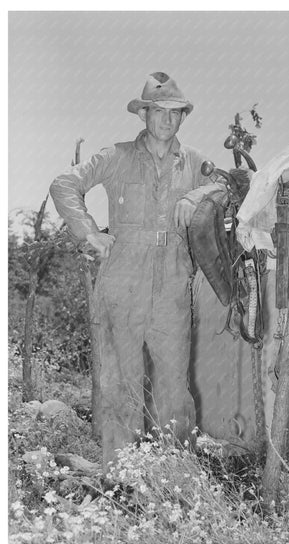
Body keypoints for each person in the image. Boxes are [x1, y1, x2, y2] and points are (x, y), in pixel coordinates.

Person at [50, 72, 225, 468]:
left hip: (173, 283)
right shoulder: (115, 156)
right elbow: (64, 184)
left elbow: (226, 186)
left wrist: (199, 193)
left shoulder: (195, 161)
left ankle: (175, 473)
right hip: (123, 280)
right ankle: (121, 471)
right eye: (158, 111)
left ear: (182, 117)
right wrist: (89, 233)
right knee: (121, 382)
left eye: (175, 112)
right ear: (144, 113)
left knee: (173, 386)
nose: (167, 119)